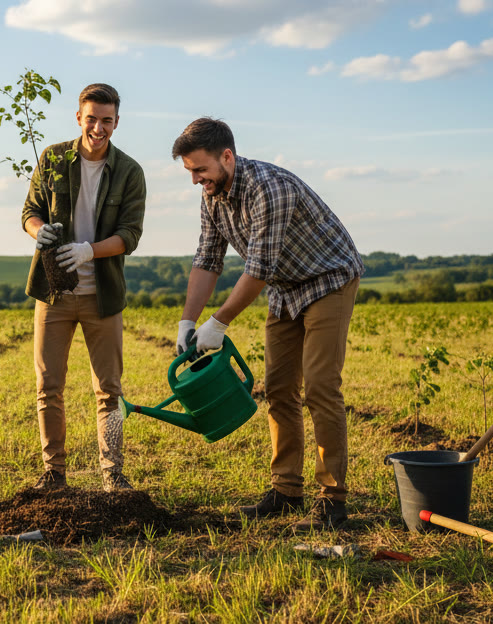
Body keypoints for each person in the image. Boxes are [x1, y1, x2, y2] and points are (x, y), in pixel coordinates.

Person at [171, 117, 363, 531]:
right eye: (190, 172)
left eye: (200, 170)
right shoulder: (213, 197)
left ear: (227, 157)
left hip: (328, 278)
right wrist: (189, 321)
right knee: (278, 388)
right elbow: (207, 260)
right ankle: (286, 491)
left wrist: (218, 323)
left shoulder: (268, 189)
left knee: (320, 386)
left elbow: (257, 268)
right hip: (286, 288)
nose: (195, 180)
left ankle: (332, 500)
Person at [21, 83, 146, 492]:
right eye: (91, 118)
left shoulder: (129, 172)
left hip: (102, 296)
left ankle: (113, 473)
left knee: (109, 390)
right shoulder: (53, 158)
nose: (98, 127)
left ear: (116, 122)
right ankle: (54, 473)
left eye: (106, 120)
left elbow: (130, 235)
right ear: (79, 117)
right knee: (48, 386)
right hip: (55, 292)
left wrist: (89, 252)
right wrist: (38, 232)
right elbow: (30, 210)